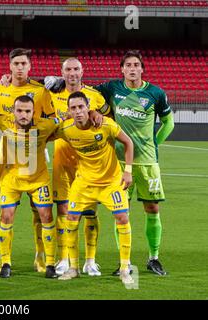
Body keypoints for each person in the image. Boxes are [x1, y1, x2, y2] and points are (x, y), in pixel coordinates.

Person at [45, 50, 174, 276]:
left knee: (151, 208)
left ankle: (153, 257)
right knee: (116, 212)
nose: (132, 69)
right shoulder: (112, 88)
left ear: (142, 68)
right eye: (128, 65)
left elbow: (168, 123)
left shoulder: (156, 92)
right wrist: (45, 81)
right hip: (113, 162)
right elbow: (85, 96)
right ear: (122, 69)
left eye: (136, 65)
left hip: (145, 161)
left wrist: (155, 143)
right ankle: (117, 263)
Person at [0, 95, 59, 279]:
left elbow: (65, 121)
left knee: (46, 216)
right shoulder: (5, 121)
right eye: (19, 111)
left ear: (33, 112)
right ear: (14, 111)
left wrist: (91, 113)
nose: (23, 115)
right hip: (12, 180)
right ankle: (5, 263)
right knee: (6, 216)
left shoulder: (45, 125)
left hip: (38, 179)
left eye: (27, 111)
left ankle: (50, 263)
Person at [0, 48, 55, 274]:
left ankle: (40, 257)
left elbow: (51, 118)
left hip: (36, 151)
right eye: (15, 63)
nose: (19, 67)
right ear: (10, 66)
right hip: (8, 155)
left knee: (40, 211)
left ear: (29, 66)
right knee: (6, 211)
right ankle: (4, 260)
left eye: (23, 63)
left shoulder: (39, 90)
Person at [56, 91, 134, 285]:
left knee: (122, 217)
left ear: (88, 107)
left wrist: (128, 171)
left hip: (111, 181)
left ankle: (125, 268)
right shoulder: (66, 129)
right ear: (69, 111)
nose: (78, 111)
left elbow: (128, 142)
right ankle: (73, 268)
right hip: (84, 182)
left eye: (81, 107)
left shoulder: (105, 124)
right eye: (73, 108)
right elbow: (45, 134)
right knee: (71, 218)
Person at [49, 57, 110, 276]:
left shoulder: (94, 96)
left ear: (82, 71)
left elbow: (108, 118)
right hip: (62, 161)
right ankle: (64, 257)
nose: (72, 73)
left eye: (76, 69)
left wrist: (97, 113)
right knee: (63, 210)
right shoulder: (52, 94)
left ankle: (90, 260)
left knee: (90, 211)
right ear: (62, 73)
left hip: (89, 164)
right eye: (68, 69)